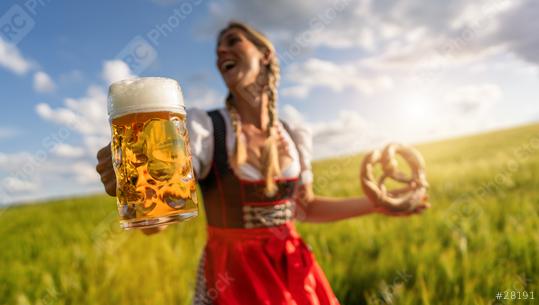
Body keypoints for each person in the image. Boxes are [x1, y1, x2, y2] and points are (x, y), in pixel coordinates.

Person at [96, 21, 430, 305]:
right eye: (217, 50)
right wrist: (134, 191)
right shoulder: (205, 129)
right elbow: (159, 221)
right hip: (232, 276)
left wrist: (381, 204)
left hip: (293, 266)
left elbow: (306, 208)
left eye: (232, 42)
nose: (221, 53)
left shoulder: (293, 133)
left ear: (265, 54)